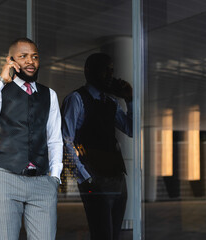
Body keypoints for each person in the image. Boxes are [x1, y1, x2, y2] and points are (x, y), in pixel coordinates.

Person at [0, 37, 63, 240]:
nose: (30, 61)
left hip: (42, 182)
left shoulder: (49, 95)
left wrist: (54, 177)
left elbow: (54, 139)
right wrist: (1, 81)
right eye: (23, 56)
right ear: (11, 60)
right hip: (6, 180)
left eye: (35, 57)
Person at [61, 53, 133, 240]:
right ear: (89, 71)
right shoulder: (76, 99)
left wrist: (130, 100)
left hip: (117, 178)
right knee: (102, 235)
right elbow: (65, 141)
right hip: (94, 178)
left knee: (113, 235)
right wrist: (84, 178)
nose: (110, 75)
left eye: (111, 71)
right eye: (105, 70)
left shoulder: (111, 102)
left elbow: (131, 129)